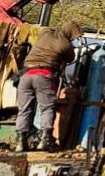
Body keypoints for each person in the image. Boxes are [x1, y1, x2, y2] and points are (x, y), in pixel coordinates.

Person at [15, 20, 82, 152]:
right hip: (44, 76)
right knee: (47, 108)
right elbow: (71, 59)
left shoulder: (45, 33)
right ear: (71, 34)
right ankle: (45, 141)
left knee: (24, 109)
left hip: (26, 74)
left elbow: (41, 31)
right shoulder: (66, 44)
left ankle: (20, 142)